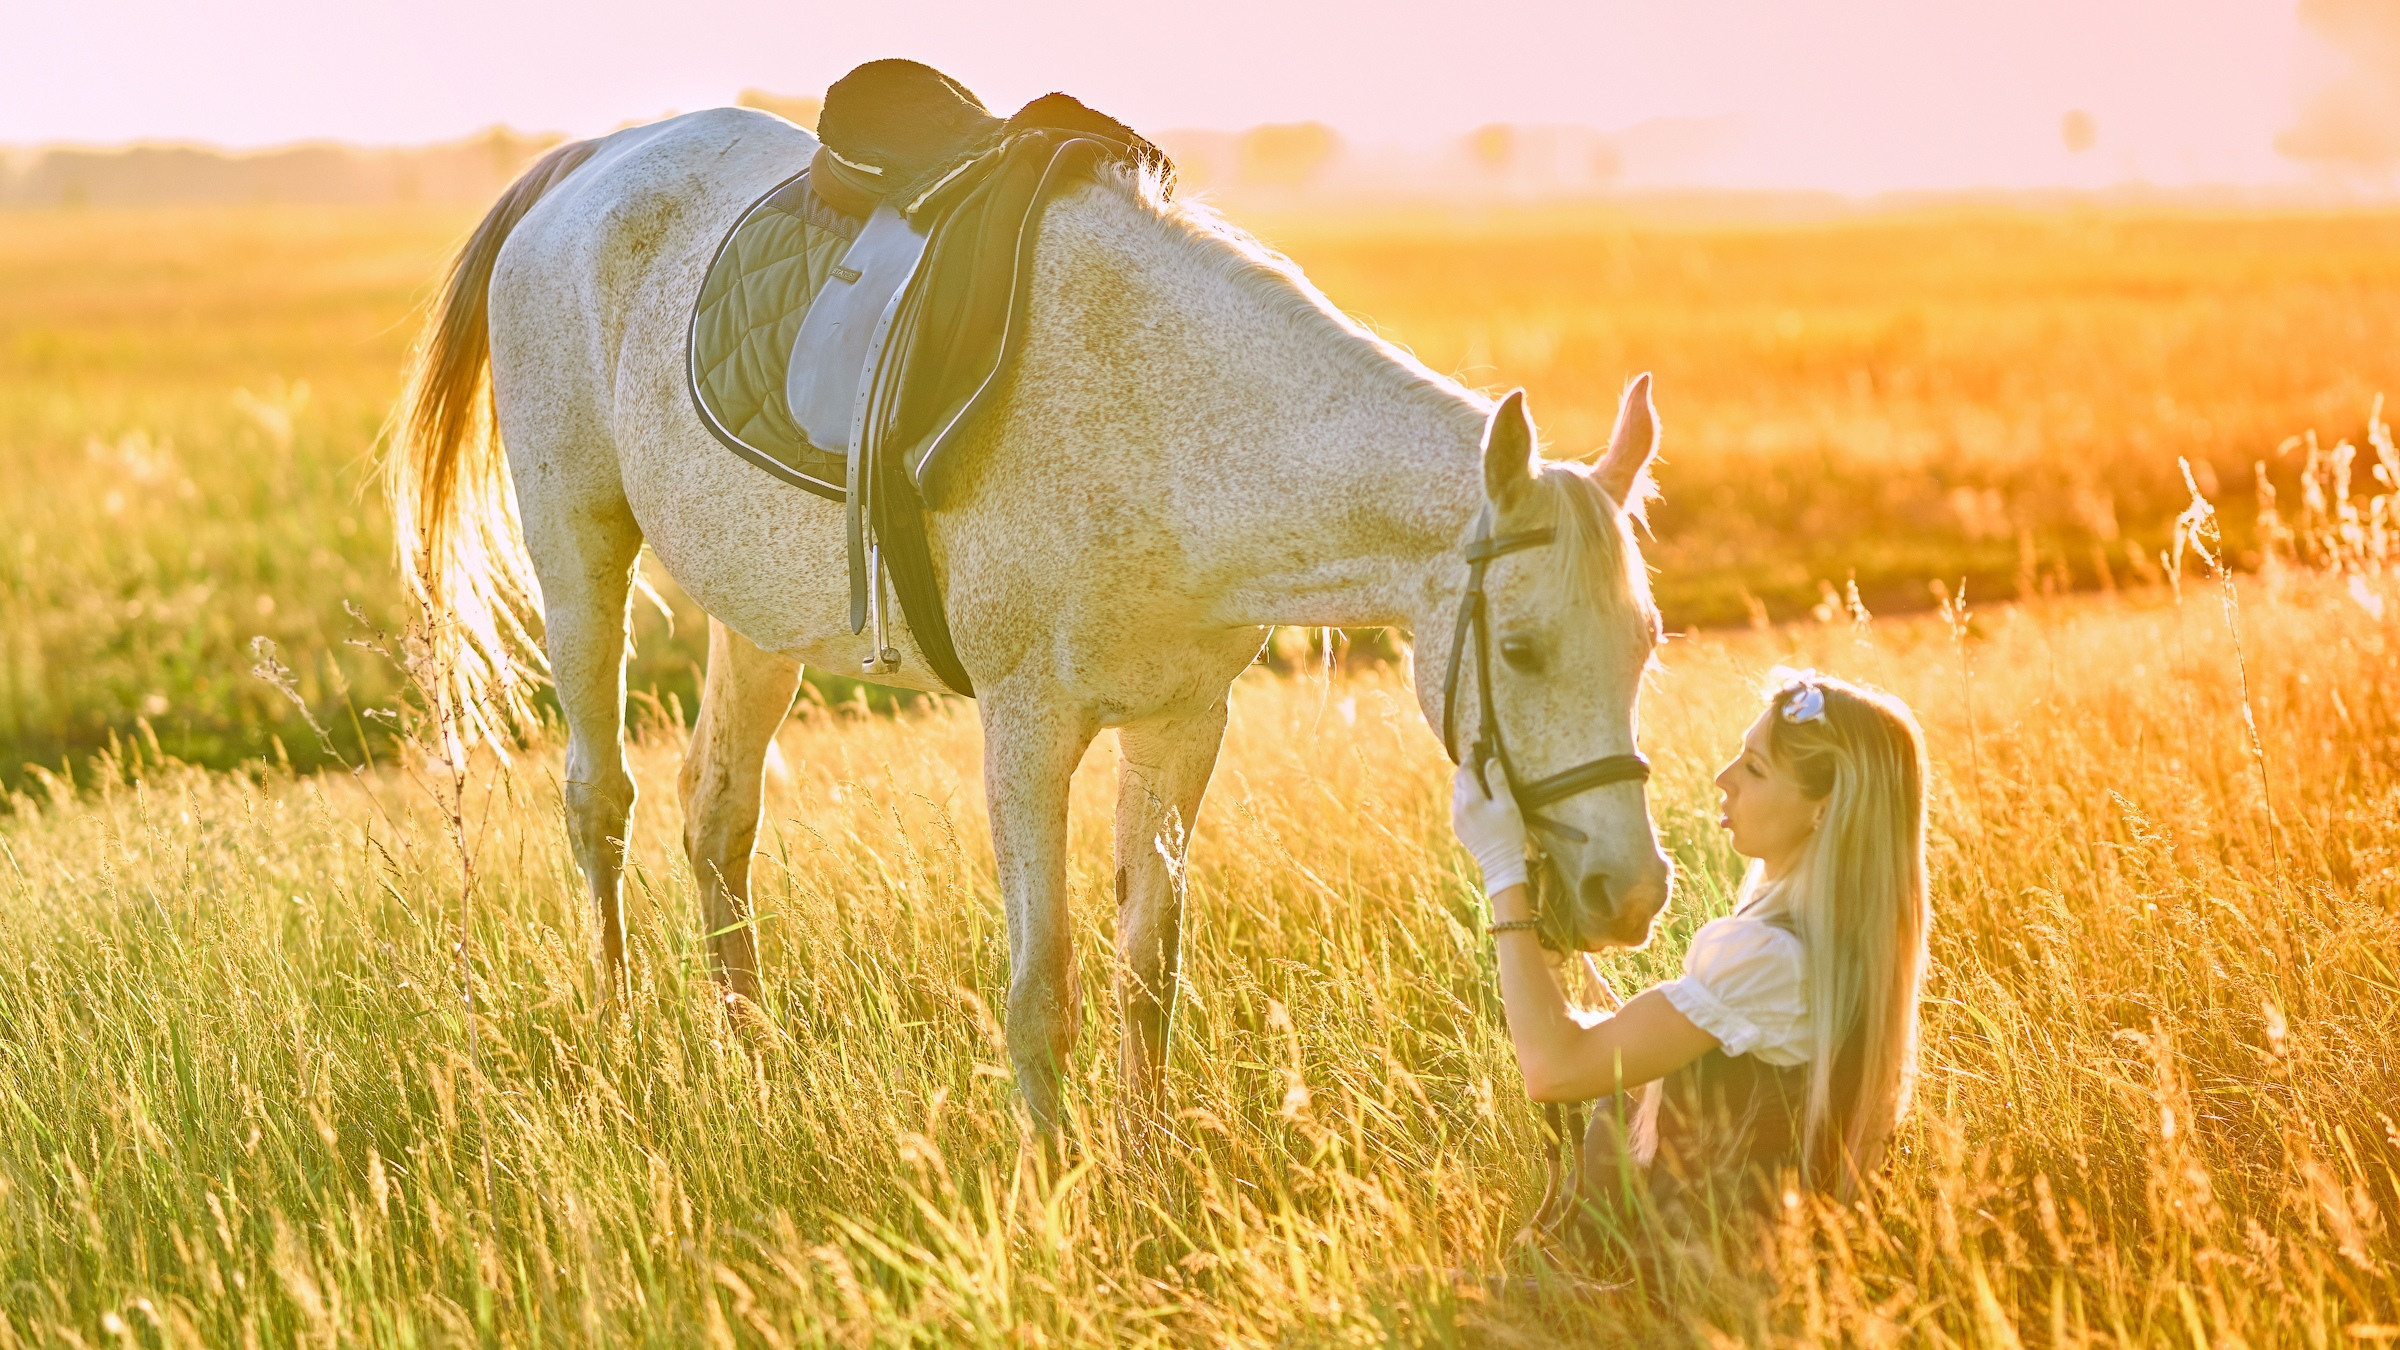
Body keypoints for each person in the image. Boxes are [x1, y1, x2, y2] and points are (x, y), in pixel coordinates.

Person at [1451, 668, 1932, 1218]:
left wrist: (1501, 871)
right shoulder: (1833, 949)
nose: (1723, 778)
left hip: (1676, 1288)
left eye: (1755, 768)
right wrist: (1556, 936)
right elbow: (1646, 1058)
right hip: (1730, 1285)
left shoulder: (1766, 958)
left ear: (1822, 809)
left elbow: (1554, 1070)